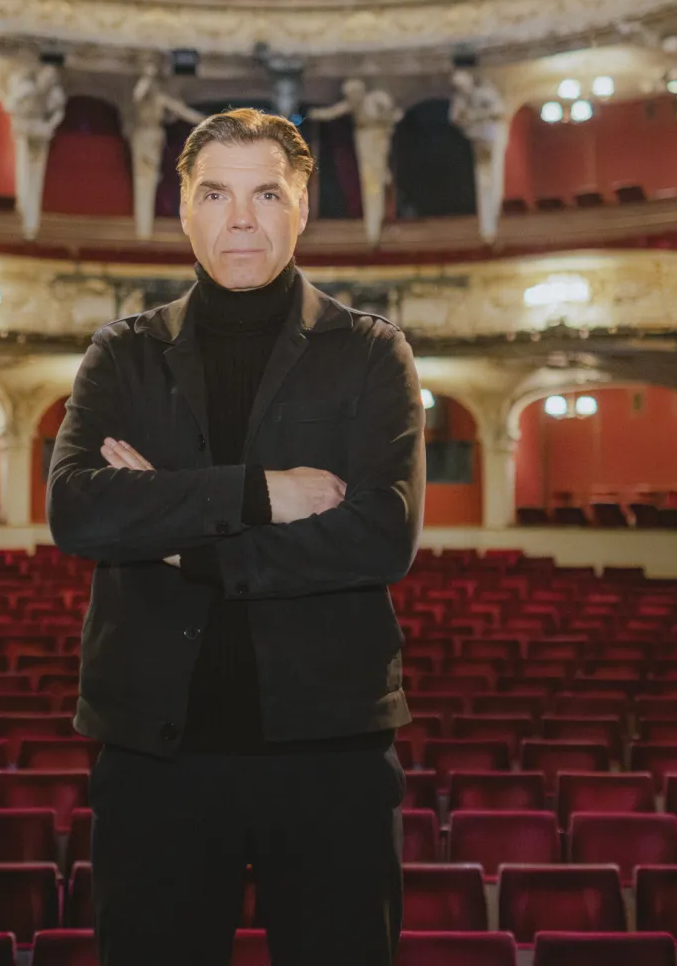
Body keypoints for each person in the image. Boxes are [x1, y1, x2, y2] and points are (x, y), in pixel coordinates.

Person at [47, 106, 426, 966]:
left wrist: (182, 536)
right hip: (154, 753)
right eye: (216, 193)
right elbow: (79, 509)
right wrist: (261, 492)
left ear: (303, 206)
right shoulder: (122, 354)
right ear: (184, 206)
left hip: (331, 751)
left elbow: (379, 538)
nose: (242, 219)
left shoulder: (372, 353)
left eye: (266, 193)